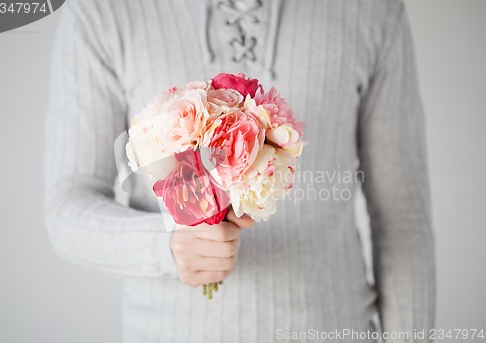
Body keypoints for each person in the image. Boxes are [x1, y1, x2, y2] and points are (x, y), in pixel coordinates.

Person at [45, 0, 435, 342]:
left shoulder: (373, 10)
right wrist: (166, 244)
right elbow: (68, 202)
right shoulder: (101, 11)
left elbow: (403, 219)